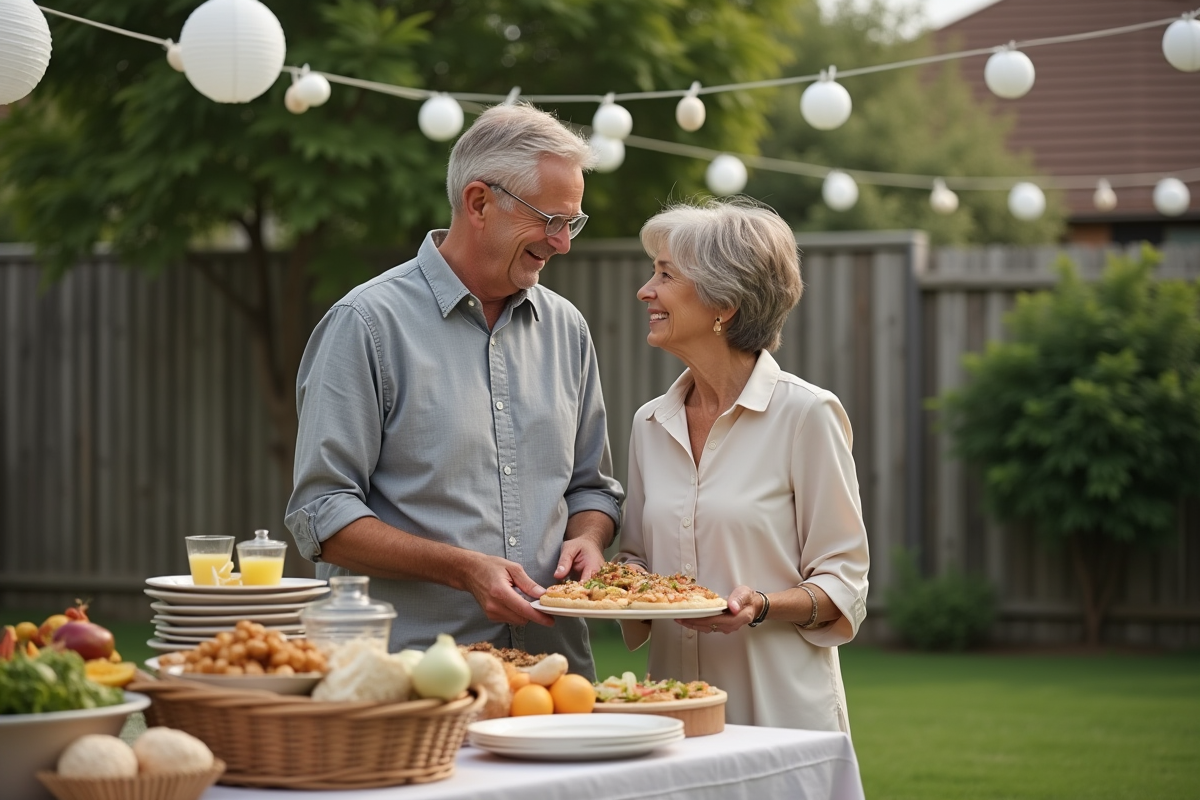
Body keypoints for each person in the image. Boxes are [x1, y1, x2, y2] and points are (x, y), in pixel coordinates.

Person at [284, 103, 624, 677]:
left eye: (572, 222)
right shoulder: (366, 324)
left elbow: (592, 490)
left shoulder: (568, 329)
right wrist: (463, 568)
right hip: (411, 681)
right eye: (550, 220)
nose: (562, 242)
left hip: (555, 678)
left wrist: (590, 538)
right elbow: (323, 515)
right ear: (479, 203)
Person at [616, 198, 869, 731]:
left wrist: (759, 605)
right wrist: (613, 580)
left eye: (664, 274)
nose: (646, 290)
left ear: (723, 304)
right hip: (674, 707)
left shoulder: (806, 415)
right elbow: (637, 557)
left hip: (780, 711)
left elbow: (844, 581)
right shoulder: (650, 423)